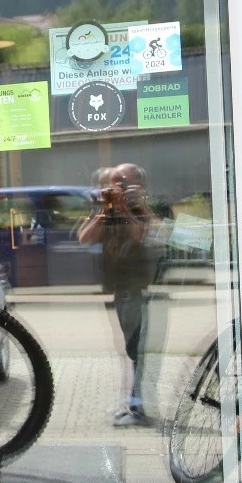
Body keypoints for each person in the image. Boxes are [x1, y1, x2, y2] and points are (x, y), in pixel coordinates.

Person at [77, 162, 163, 426]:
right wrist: (105, 210)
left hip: (140, 291)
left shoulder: (146, 208)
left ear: (139, 185)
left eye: (121, 182)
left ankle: (140, 409)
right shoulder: (107, 210)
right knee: (130, 350)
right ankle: (133, 404)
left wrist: (127, 207)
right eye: (112, 182)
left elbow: (142, 235)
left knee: (140, 351)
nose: (114, 188)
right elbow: (85, 238)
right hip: (119, 291)